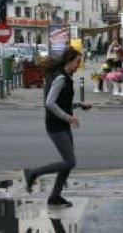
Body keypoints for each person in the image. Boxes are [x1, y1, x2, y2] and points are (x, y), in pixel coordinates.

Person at [21, 47, 91, 208]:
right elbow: (50, 103)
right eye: (77, 62)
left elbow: (62, 103)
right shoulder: (60, 78)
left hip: (62, 123)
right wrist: (68, 117)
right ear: (68, 61)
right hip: (56, 125)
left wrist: (79, 105)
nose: (78, 65)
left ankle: (55, 196)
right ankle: (33, 173)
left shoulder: (63, 75)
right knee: (70, 162)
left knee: (67, 162)